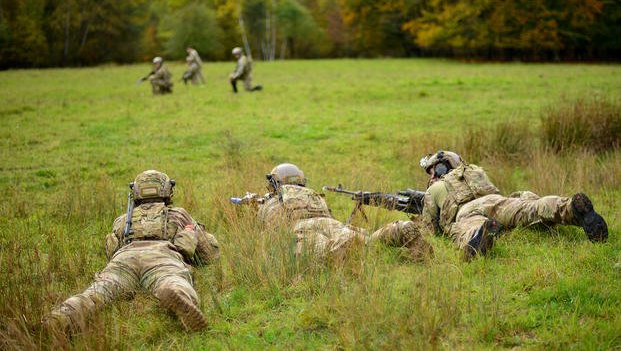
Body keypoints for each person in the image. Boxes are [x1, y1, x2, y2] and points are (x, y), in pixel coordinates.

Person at [43, 170, 220, 334]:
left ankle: (61, 317)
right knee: (173, 280)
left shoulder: (122, 220)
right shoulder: (179, 214)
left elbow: (112, 251)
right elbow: (209, 255)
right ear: (167, 190)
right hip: (162, 257)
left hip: (124, 260)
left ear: (136, 192)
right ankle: (177, 295)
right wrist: (192, 232)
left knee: (97, 293)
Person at [358, 150, 609, 260]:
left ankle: (479, 237)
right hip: (497, 201)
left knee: (467, 229)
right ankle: (570, 208)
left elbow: (431, 230)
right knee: (528, 208)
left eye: (431, 170)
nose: (429, 176)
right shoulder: (475, 171)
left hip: (467, 212)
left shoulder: (435, 189)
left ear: (440, 168)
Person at [247, 163, 432, 261]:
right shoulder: (314, 194)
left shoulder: (272, 201)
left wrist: (256, 208)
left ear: (274, 183)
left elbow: (269, 232)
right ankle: (398, 230)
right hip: (332, 224)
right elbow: (327, 215)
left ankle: (344, 247)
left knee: (322, 252)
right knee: (370, 240)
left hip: (302, 230)